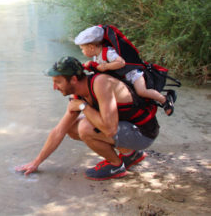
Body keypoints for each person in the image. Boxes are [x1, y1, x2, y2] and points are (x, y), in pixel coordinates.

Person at [15, 56, 159, 180]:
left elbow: (110, 130)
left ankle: (116, 166)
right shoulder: (77, 94)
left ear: (73, 79)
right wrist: (36, 162)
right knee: (71, 127)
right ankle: (130, 154)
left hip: (144, 133)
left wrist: (84, 106)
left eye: (58, 82)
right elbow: (59, 130)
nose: (54, 87)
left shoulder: (100, 83)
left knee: (85, 127)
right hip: (128, 129)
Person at [74, 25, 174, 115]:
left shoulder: (108, 52)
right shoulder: (96, 57)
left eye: (83, 49)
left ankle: (164, 100)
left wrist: (106, 66)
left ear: (91, 47)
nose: (82, 51)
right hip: (121, 77)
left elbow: (121, 62)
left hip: (133, 74)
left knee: (141, 91)